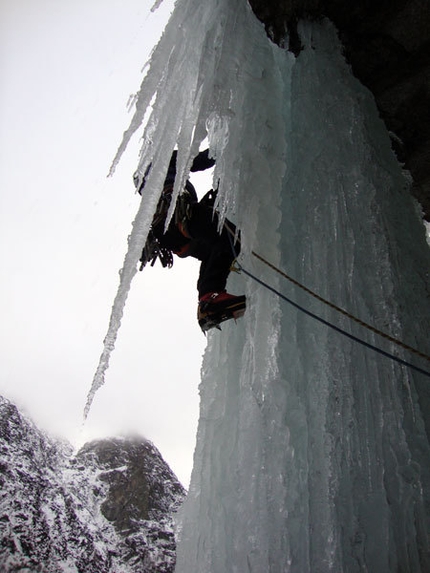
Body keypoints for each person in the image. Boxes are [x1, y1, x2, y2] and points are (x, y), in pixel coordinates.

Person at [135, 149, 246, 331]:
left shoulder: (150, 181)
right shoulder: (162, 160)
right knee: (232, 239)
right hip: (180, 217)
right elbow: (201, 160)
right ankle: (210, 298)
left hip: (176, 237)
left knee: (215, 250)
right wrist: (223, 146)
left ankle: (207, 301)